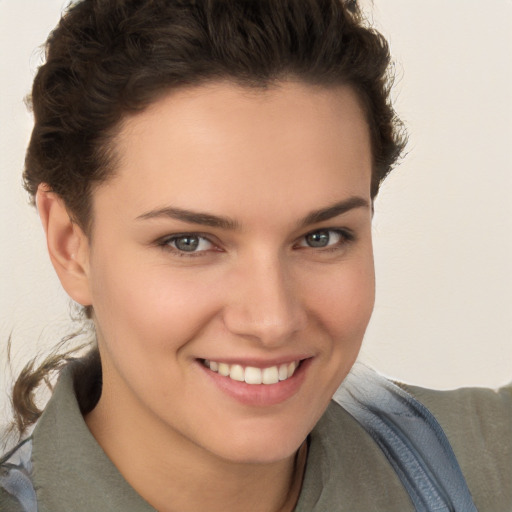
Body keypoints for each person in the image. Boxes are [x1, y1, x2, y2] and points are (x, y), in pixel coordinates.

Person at [0, 1, 510, 511]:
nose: (273, 321)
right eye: (190, 242)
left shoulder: (491, 465)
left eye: (322, 237)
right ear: (71, 246)